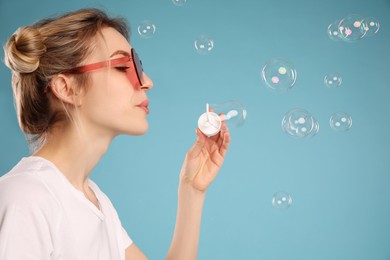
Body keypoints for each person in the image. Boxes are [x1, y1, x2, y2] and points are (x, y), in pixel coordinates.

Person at [0, 8, 230, 260]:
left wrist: (192, 190)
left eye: (137, 66)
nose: (147, 81)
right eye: (122, 66)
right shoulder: (26, 197)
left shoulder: (96, 203)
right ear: (67, 88)